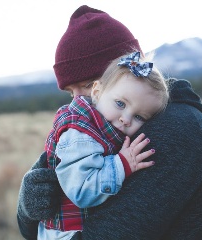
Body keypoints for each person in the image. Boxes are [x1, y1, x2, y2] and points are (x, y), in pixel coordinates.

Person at [17, 5, 202, 240]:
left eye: (87, 85)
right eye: (70, 92)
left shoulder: (173, 131)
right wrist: (28, 207)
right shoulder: (101, 126)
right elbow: (31, 229)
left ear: (124, 71)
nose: (78, 102)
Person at [38, 51, 169, 239]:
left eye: (139, 117)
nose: (126, 119)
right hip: (66, 234)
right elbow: (81, 191)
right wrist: (122, 164)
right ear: (97, 92)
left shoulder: (104, 126)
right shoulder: (80, 134)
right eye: (120, 104)